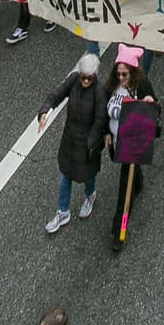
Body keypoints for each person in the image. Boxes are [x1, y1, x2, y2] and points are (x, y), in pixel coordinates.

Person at [41, 55, 109, 232]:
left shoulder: (100, 92)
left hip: (87, 144)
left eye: (89, 77)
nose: (85, 80)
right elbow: (56, 94)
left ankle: (90, 195)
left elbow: (100, 120)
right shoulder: (73, 81)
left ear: (94, 76)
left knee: (88, 175)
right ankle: (63, 211)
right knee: (65, 174)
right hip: (70, 139)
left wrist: (90, 143)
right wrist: (45, 110)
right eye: (82, 77)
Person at [103, 47, 159, 243]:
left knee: (123, 189)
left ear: (133, 72)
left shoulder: (142, 85)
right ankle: (139, 180)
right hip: (116, 142)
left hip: (132, 145)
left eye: (125, 74)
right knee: (131, 175)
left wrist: (150, 103)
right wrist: (105, 132)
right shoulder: (111, 86)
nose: (121, 78)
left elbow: (156, 110)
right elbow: (104, 109)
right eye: (118, 74)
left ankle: (119, 231)